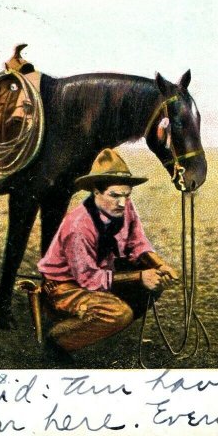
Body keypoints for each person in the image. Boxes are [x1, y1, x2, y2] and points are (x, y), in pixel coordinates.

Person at [37, 148, 178, 362]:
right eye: (114, 195)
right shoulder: (78, 226)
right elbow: (88, 279)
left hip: (101, 272)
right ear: (96, 192)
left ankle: (97, 324)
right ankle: (58, 339)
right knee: (119, 313)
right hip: (66, 285)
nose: (122, 202)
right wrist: (140, 277)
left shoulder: (124, 207)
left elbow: (137, 242)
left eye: (126, 195)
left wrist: (159, 265)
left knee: (152, 284)